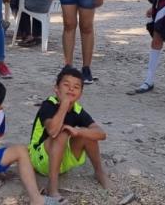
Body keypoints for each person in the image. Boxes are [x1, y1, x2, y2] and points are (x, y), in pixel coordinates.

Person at [29, 67, 109, 200]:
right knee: (62, 133)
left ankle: (99, 173)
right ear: (56, 88)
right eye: (66, 85)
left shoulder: (78, 110)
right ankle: (52, 188)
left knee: (88, 135)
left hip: (60, 159)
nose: (71, 89)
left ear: (81, 93)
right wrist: (64, 104)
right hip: (39, 159)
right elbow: (53, 131)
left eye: (76, 87)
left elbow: (101, 134)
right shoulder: (49, 104)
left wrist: (78, 131)